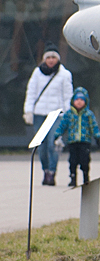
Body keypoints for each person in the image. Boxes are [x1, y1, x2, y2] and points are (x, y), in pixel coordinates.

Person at [23, 44, 74, 186]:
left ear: (58, 59)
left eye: (53, 57)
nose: (51, 60)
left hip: (56, 115)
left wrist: (67, 114)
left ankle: (52, 172)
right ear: (44, 59)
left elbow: (67, 96)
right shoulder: (37, 73)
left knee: (53, 143)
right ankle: (45, 170)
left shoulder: (65, 74)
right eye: (48, 57)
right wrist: (28, 111)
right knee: (42, 146)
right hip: (39, 113)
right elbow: (31, 92)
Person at [53, 87, 100, 188]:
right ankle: (73, 177)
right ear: (73, 101)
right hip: (72, 142)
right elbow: (63, 125)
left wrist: (97, 136)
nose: (79, 102)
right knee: (72, 160)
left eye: (82, 100)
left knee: (85, 160)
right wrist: (57, 134)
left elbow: (93, 126)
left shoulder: (88, 114)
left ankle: (85, 176)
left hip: (85, 141)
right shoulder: (69, 114)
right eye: (77, 100)